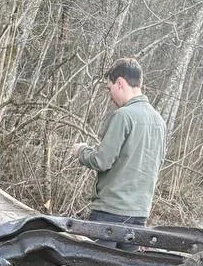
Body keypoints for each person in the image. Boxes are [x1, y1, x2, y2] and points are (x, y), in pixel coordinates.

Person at [70, 57, 166, 226]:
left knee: (96, 254)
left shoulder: (123, 115)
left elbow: (102, 160)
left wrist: (81, 151)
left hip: (110, 214)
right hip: (139, 216)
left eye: (109, 88)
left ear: (120, 83)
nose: (110, 96)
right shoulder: (159, 121)